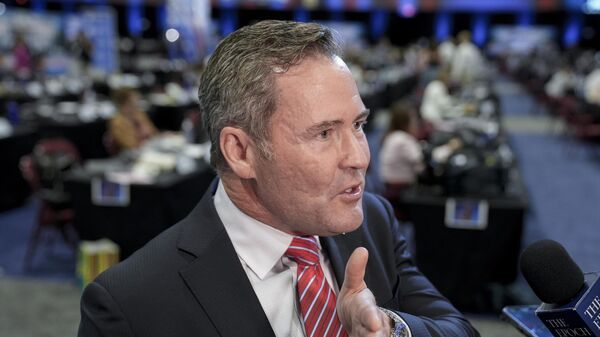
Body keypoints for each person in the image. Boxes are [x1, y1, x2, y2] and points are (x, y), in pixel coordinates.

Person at [78, 21, 480, 337]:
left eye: (358, 125)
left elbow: (458, 330)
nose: (360, 156)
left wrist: (392, 330)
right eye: (323, 133)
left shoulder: (371, 219)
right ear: (241, 152)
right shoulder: (130, 304)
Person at [379, 102, 424, 193]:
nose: (416, 123)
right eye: (414, 120)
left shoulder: (391, 136)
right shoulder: (403, 139)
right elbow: (419, 163)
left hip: (388, 184)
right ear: (405, 123)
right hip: (400, 187)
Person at [107, 88, 157, 152]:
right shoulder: (117, 122)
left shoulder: (139, 114)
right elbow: (129, 145)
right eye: (133, 102)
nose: (136, 105)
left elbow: (154, 133)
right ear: (124, 104)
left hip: (147, 150)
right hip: (127, 156)